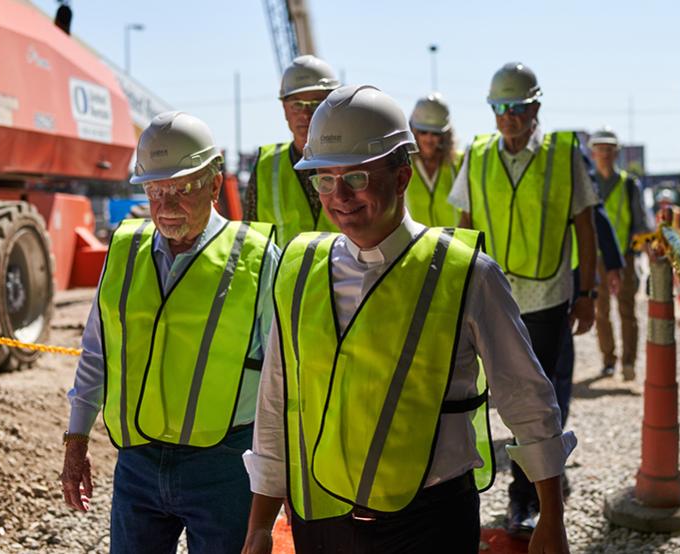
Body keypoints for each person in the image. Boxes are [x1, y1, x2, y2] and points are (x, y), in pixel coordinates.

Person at [241, 84, 574, 554]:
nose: (340, 196)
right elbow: (276, 403)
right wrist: (259, 524)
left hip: (429, 524)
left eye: (356, 177)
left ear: (401, 176)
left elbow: (526, 398)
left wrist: (552, 518)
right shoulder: (299, 270)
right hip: (321, 519)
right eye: (324, 179)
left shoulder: (468, 275)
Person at [60, 112, 279, 553]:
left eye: (182, 188)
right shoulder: (125, 251)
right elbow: (96, 354)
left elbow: (282, 380)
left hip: (225, 464)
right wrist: (77, 439)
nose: (166, 204)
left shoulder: (257, 258)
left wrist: (276, 483)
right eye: (156, 190)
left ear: (215, 184)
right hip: (137, 464)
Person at [447, 62, 598, 537]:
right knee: (498, 395)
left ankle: (525, 497)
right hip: (494, 293)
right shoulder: (478, 154)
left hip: (548, 293)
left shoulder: (563, 154)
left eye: (516, 107)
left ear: (535, 107)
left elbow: (585, 225)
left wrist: (588, 291)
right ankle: (541, 474)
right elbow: (466, 224)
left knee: (538, 397)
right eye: (499, 108)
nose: (508, 117)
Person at [245, 55, 341, 248]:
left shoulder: (356, 160)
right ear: (284, 109)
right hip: (285, 278)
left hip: (346, 277)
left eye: (316, 104)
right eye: (297, 104)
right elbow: (251, 241)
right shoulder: (266, 165)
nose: (306, 114)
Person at [588, 128, 650, 380]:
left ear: (616, 153)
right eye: (600, 149)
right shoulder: (588, 185)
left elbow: (640, 224)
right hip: (596, 257)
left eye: (608, 149)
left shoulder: (628, 184)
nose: (604, 154)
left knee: (627, 311)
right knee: (600, 312)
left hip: (623, 256)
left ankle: (629, 362)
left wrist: (644, 254)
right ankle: (608, 360)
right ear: (593, 153)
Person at [406, 93, 460, 226]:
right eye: (423, 131)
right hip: (414, 246)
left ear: (445, 135)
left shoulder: (460, 164)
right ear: (413, 131)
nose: (429, 139)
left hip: (452, 245)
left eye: (435, 133)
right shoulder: (401, 165)